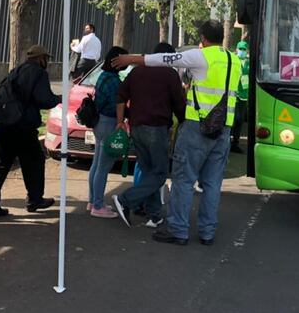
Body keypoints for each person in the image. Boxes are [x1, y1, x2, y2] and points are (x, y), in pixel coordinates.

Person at [113, 20, 241, 246]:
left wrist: (129, 59)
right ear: (222, 36)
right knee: (212, 183)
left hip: (196, 127)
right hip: (223, 129)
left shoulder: (200, 56)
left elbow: (162, 59)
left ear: (202, 38)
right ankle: (207, 232)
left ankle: (178, 230)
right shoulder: (235, 60)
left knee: (184, 179)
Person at [111, 43, 185, 228]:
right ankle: (125, 199)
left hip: (136, 127)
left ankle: (154, 215)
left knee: (148, 172)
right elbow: (179, 104)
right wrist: (184, 120)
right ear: (168, 58)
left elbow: (120, 96)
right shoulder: (170, 75)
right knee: (159, 174)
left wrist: (120, 122)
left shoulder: (137, 72)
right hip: (157, 128)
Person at [0, 44, 58, 218]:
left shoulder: (16, 71)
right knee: (34, 161)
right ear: (41, 59)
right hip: (23, 127)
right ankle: (34, 199)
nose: (47, 62)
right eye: (46, 59)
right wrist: (58, 99)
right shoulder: (39, 73)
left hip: (4, 125)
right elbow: (43, 99)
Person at [87, 46, 129, 219]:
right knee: (103, 166)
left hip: (99, 122)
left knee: (96, 164)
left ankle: (93, 201)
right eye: (125, 59)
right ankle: (98, 205)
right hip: (109, 122)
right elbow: (116, 105)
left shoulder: (103, 76)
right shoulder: (114, 82)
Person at [230, 40, 250, 154]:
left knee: (240, 120)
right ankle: (228, 142)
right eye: (240, 49)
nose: (242, 51)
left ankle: (235, 143)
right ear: (237, 49)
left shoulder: (248, 62)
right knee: (233, 119)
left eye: (244, 49)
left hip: (244, 95)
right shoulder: (233, 60)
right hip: (234, 94)